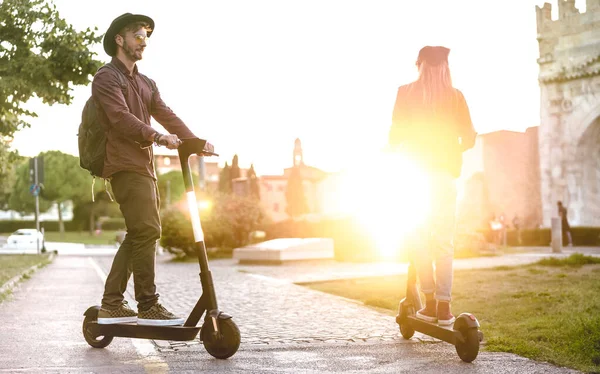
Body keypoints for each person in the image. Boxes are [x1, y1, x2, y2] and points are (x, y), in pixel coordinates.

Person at [92, 13, 212, 326]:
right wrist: (155, 135)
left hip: (144, 167)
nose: (143, 41)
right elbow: (119, 117)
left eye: (146, 36)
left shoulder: (146, 83)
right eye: (137, 35)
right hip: (122, 165)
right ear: (120, 40)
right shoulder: (106, 78)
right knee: (147, 230)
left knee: (141, 232)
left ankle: (112, 303)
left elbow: (165, 113)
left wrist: (194, 141)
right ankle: (147, 304)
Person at [388, 46, 476, 326]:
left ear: (420, 65)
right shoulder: (455, 96)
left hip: (414, 177)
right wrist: (453, 150)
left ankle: (428, 302)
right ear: (445, 67)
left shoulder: (405, 93)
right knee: (444, 241)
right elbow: (470, 138)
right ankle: (444, 309)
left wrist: (399, 150)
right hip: (444, 177)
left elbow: (394, 136)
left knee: (418, 238)